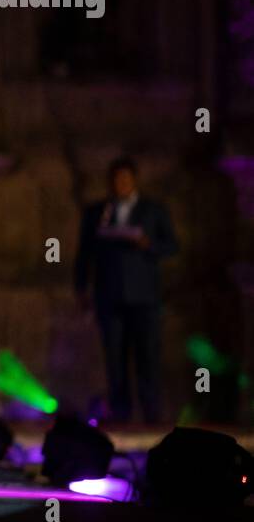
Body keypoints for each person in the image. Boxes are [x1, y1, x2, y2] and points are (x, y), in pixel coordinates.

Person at [74, 156, 179, 423]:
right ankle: (121, 417)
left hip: (144, 299)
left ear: (134, 180)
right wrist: (81, 288)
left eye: (125, 179)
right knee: (114, 360)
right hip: (109, 297)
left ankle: (152, 417)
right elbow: (84, 254)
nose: (120, 184)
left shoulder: (153, 210)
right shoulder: (98, 213)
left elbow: (172, 246)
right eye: (116, 179)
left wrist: (148, 244)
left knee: (148, 358)